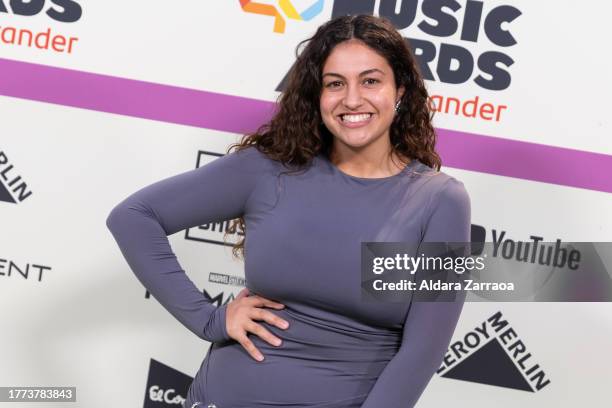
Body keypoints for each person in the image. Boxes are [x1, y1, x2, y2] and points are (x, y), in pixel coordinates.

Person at [106, 14, 471, 408]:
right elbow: (133, 217)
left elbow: (422, 352)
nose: (352, 99)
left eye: (370, 80)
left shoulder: (439, 201)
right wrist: (207, 318)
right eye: (335, 84)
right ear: (317, 94)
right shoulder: (269, 168)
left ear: (399, 89)